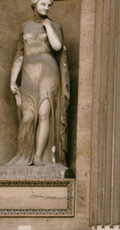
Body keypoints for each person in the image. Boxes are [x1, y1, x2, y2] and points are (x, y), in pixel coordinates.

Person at [6, 0, 69, 167]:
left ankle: (38, 156)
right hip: (28, 74)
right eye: (43, 4)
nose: (46, 8)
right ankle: (22, 155)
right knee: (27, 117)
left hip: (48, 72)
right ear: (34, 4)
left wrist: (48, 27)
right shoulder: (25, 27)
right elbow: (19, 55)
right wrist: (13, 79)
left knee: (43, 114)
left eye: (49, 5)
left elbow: (57, 46)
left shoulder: (55, 25)